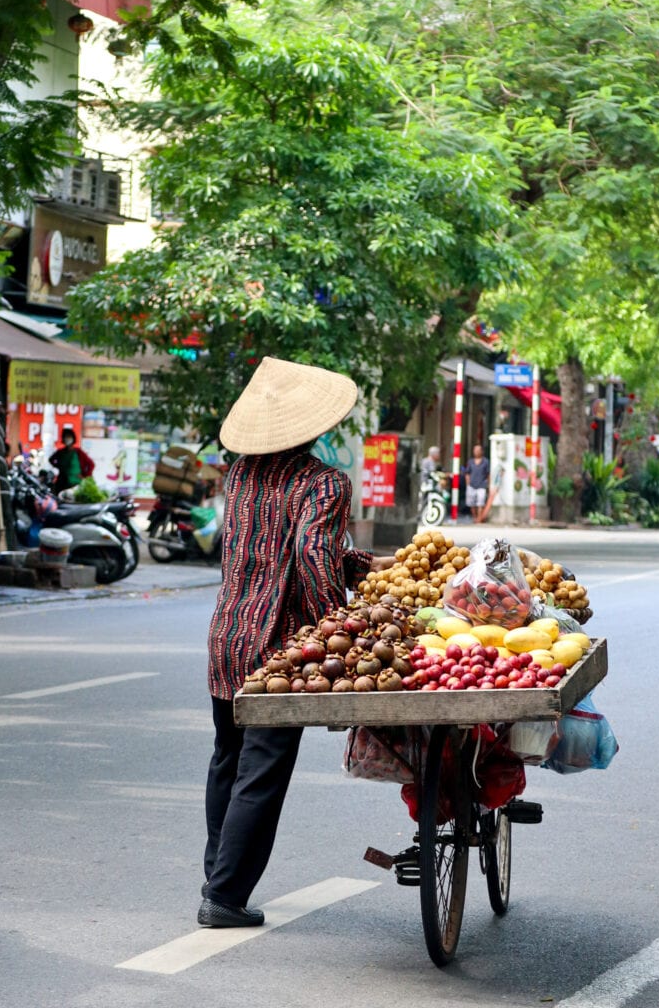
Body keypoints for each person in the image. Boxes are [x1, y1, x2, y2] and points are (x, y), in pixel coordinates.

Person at [198, 357, 394, 929]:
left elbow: (274, 548)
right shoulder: (323, 482)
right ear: (314, 425)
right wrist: (338, 625)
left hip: (227, 636)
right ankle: (225, 897)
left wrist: (360, 564)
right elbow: (310, 559)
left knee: (226, 761)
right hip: (278, 648)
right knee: (261, 768)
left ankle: (217, 878)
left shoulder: (238, 475)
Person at [48, 427, 95, 495]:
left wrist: (85, 475)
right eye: (65, 437)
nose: (67, 439)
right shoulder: (60, 452)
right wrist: (59, 466)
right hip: (63, 483)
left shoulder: (78, 452)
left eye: (69, 436)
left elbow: (91, 464)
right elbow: (51, 460)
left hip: (76, 482)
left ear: (73, 438)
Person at [464, 443, 490, 522]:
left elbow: (488, 474)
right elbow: (467, 473)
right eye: (475, 450)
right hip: (471, 485)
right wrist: (468, 483)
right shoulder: (471, 461)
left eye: (478, 450)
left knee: (480, 502)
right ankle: (474, 517)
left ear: (481, 451)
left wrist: (488, 484)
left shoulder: (485, 461)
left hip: (481, 484)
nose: (476, 452)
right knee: (471, 503)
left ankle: (479, 518)